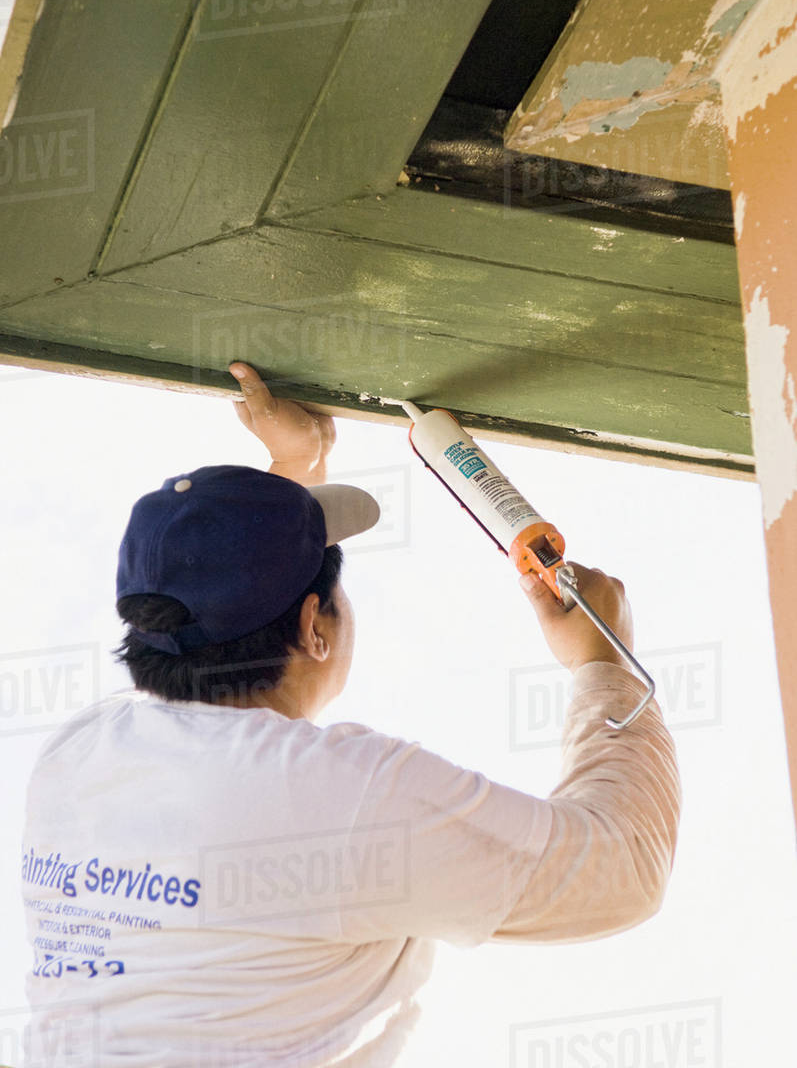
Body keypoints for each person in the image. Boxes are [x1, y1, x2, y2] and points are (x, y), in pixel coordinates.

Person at [21, 362, 681, 1068]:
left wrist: (292, 469)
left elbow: (218, 624)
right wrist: (601, 668)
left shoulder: (79, 756)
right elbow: (621, 873)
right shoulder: (346, 794)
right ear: (314, 626)